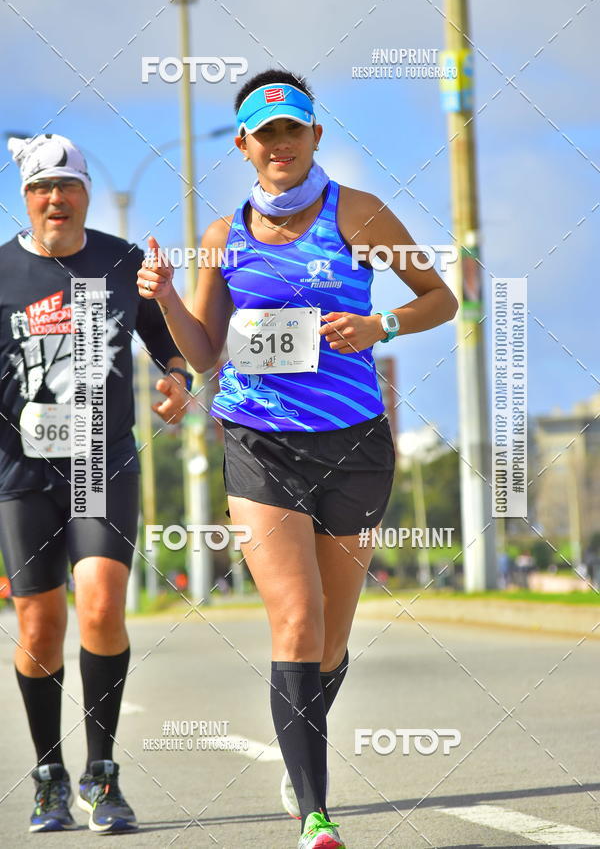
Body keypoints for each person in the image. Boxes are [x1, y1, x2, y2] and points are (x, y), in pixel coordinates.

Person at [137, 69, 458, 849]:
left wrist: (381, 322)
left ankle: (296, 747)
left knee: (332, 643)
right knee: (298, 620)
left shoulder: (358, 212)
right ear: (243, 145)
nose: (280, 145)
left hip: (353, 443)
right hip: (259, 440)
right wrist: (168, 298)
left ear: (314, 136)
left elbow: (440, 298)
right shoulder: (223, 236)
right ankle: (317, 812)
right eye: (265, 133)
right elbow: (206, 352)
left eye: (294, 130)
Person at [1, 133, 191, 833]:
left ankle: (102, 774)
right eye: (41, 188)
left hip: (100, 465)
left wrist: (176, 377)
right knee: (39, 625)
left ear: (83, 192)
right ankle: (49, 774)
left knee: (103, 606)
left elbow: (163, 339)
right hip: (20, 471)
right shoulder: (1, 273)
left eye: (68, 185)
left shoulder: (120, 261)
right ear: (26, 198)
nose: (56, 198)